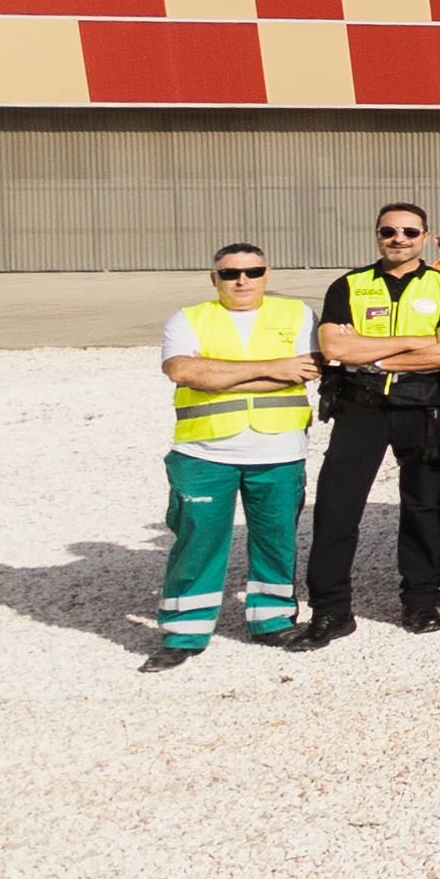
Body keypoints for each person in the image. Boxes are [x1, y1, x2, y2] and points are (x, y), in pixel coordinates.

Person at [293, 203, 440, 646]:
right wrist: (411, 343)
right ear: (377, 235)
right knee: (336, 507)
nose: (398, 238)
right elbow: (333, 346)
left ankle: (421, 599)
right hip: (361, 407)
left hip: (423, 406)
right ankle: (330, 610)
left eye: (409, 231)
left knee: (424, 505)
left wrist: (371, 351)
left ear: (425, 237)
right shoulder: (349, 285)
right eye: (389, 231)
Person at [147, 243, 317, 666]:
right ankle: (184, 634)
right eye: (230, 274)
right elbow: (182, 371)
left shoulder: (299, 314)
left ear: (267, 274)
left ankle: (273, 620)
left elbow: (305, 371)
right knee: (198, 540)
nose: (242, 280)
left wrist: (218, 373)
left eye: (252, 271)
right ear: (214, 278)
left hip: (279, 448)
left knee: (276, 539)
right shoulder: (187, 318)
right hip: (203, 451)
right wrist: (273, 367)